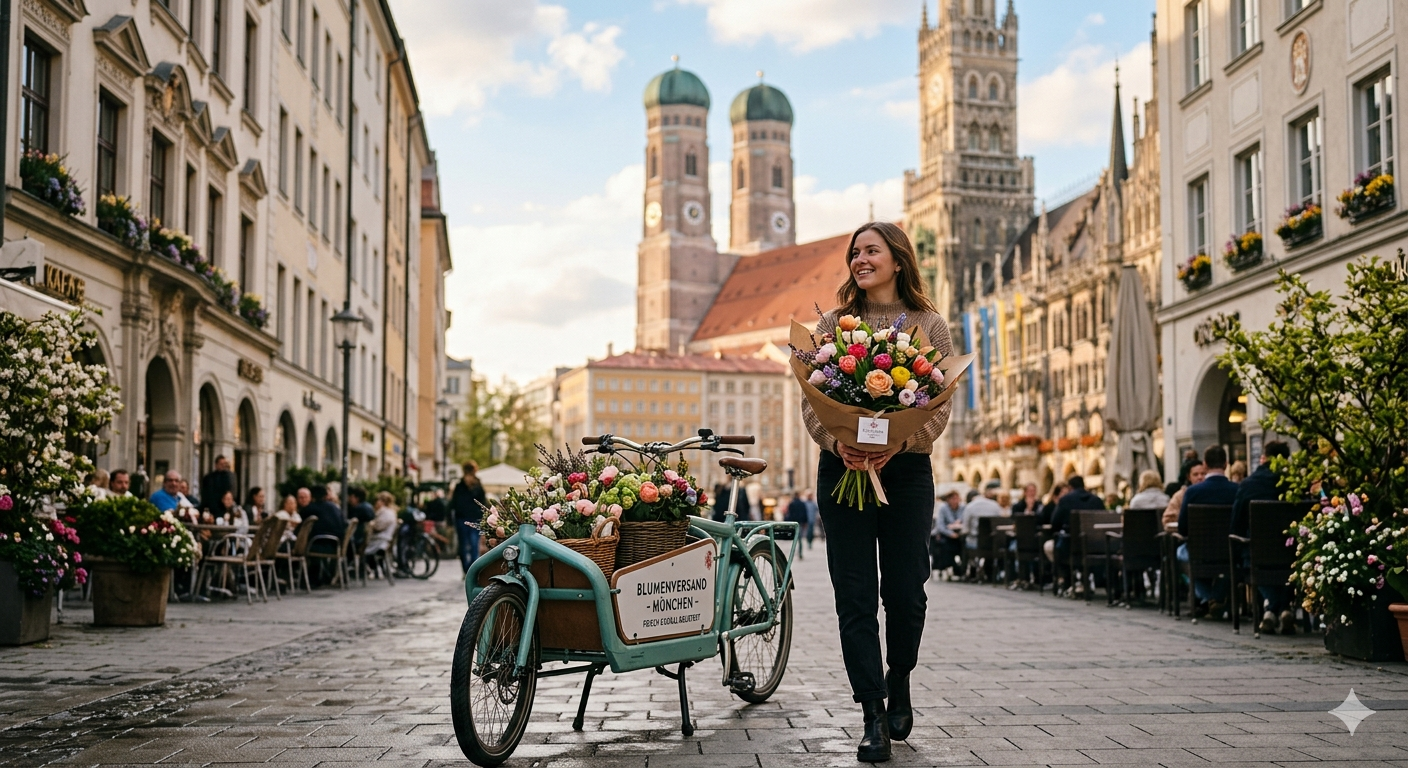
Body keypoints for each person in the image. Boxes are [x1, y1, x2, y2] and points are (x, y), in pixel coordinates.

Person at [803, 222, 954, 762]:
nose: (860, 260)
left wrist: (901, 443)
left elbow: (939, 405)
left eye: (871, 251)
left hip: (906, 472)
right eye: (855, 253)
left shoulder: (929, 325)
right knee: (855, 595)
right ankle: (872, 711)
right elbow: (812, 401)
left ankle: (901, 677)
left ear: (897, 259)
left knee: (907, 591)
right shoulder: (832, 325)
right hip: (841, 469)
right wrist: (838, 443)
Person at [1230, 440, 1294, 634]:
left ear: (1263, 458)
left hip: (1258, 553)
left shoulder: (1248, 484)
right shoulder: (1293, 482)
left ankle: (1271, 609)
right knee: (1288, 565)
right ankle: (1284, 608)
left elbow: (1236, 524)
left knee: (1253, 557)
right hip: (1291, 552)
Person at [1178, 446, 1240, 617]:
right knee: (1230, 565)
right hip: (1229, 550)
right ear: (1226, 464)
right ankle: (1217, 598)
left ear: (1204, 465)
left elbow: (1182, 528)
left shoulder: (1192, 492)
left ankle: (1210, 598)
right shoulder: (1237, 490)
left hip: (1200, 551)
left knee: (1180, 554)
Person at [1048, 476, 1105, 594]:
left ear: (1070, 487)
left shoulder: (1065, 500)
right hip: (1096, 545)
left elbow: (1054, 523)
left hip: (1072, 546)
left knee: (1053, 547)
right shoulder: (1097, 500)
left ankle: (1067, 580)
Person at [450, 462, 488, 574]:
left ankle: (469, 569)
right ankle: (470, 569)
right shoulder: (466, 485)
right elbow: (483, 502)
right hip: (470, 518)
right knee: (471, 544)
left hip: (464, 518)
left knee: (466, 544)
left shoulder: (464, 485)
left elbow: (454, 503)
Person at [931, 490, 964, 580]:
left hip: (959, 535)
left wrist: (955, 526)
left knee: (963, 546)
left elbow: (963, 521)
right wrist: (951, 533)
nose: (955, 501)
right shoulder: (943, 508)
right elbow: (940, 526)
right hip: (945, 535)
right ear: (948, 500)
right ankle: (953, 568)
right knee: (947, 547)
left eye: (957, 498)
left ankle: (961, 569)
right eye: (953, 499)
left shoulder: (962, 508)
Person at [364, 491, 398, 576]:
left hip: (380, 540)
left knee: (360, 548)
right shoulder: (390, 512)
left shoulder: (386, 513)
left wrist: (371, 525)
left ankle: (371, 569)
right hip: (384, 539)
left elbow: (378, 527)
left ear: (382, 502)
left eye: (377, 500)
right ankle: (374, 569)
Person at [1164, 462, 1205, 527]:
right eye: (1195, 474)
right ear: (1189, 477)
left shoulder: (1211, 493)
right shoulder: (1180, 496)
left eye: (1203, 474)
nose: (1200, 477)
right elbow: (1167, 519)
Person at [784, 491, 809, 560]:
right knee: (800, 539)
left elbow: (789, 514)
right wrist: (805, 522)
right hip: (800, 522)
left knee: (795, 538)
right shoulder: (802, 503)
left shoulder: (792, 503)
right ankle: (800, 553)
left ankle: (793, 552)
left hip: (793, 523)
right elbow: (805, 513)